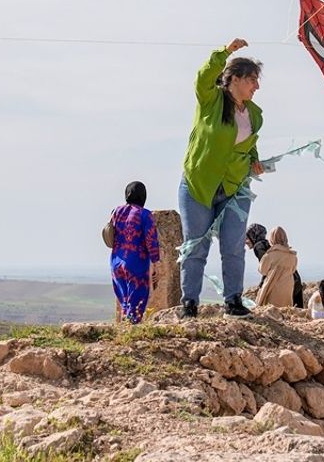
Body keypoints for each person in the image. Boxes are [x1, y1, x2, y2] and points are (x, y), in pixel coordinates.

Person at [177, 39, 264, 319]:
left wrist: (254, 160)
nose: (257, 87)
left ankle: (233, 301)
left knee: (233, 245)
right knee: (196, 245)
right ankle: (189, 303)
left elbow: (247, 144)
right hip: (199, 185)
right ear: (235, 78)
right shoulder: (211, 99)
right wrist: (224, 53)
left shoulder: (253, 115)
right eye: (252, 80)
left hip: (234, 189)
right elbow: (203, 77)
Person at [109, 181, 160, 324]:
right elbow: (151, 240)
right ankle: (131, 331)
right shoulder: (145, 214)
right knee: (136, 302)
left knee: (124, 300)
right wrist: (156, 263)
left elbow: (109, 233)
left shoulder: (116, 212)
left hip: (116, 262)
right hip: (136, 263)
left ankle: (125, 329)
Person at [245, 223, 304, 307]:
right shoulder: (291, 253)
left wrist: (262, 285)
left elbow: (265, 270)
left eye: (247, 238)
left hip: (278, 282)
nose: (245, 241)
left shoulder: (259, 247)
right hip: (292, 281)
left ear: (253, 235)